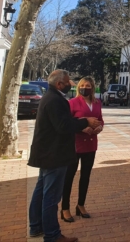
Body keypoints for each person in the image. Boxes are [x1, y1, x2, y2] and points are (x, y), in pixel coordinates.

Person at [28, 70, 101, 242]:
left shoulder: (50, 97)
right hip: (54, 155)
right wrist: (86, 122)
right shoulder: (56, 100)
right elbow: (63, 126)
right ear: (60, 84)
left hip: (46, 153)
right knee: (51, 196)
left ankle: (36, 226)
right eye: (68, 81)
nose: (72, 84)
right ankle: (52, 235)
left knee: (41, 192)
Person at [61, 77, 104, 222]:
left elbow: (100, 119)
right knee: (69, 177)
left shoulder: (97, 103)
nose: (85, 87)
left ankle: (81, 205)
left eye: (88, 85)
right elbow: (68, 123)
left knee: (85, 177)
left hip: (91, 145)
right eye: (82, 85)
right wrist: (82, 127)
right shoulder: (72, 103)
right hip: (75, 144)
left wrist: (99, 127)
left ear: (92, 87)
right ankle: (65, 208)